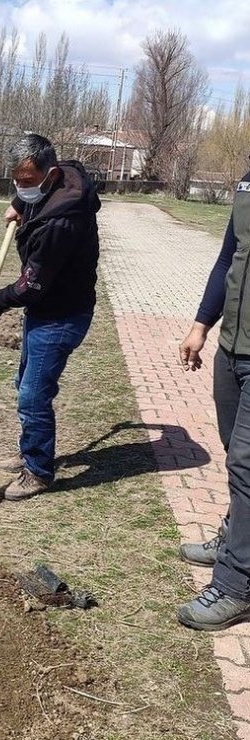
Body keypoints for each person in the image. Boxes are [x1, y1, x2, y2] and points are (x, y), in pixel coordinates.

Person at [0, 133, 100, 501]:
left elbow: (31, 286)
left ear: (51, 172)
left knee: (33, 394)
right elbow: (33, 197)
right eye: (16, 181)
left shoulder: (62, 223)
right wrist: (19, 202)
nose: (21, 187)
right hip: (45, 310)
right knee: (25, 385)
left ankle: (39, 471)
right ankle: (31, 448)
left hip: (62, 314)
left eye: (28, 182)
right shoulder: (57, 184)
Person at [174, 180, 250, 630]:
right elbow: (228, 257)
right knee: (234, 454)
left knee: (246, 465)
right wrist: (201, 325)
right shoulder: (246, 181)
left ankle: (237, 584)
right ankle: (235, 539)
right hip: (231, 351)